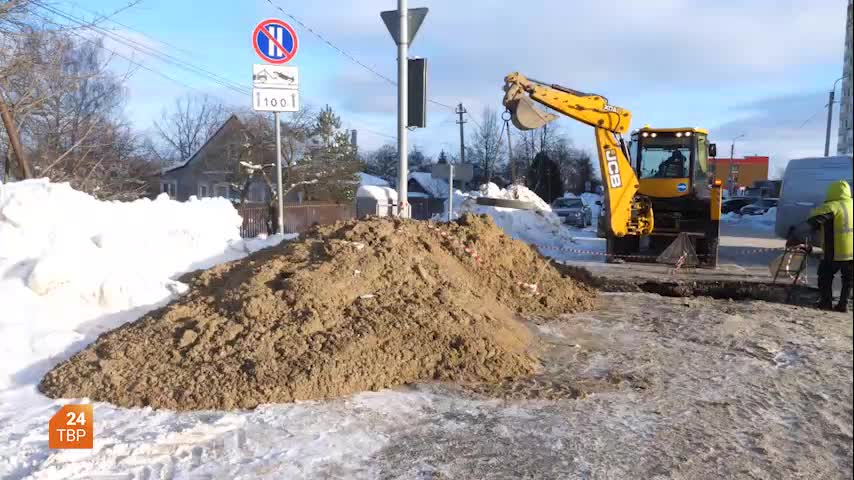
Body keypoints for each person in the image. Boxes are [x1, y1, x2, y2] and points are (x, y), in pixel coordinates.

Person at [790, 180, 853, 312]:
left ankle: (826, 302)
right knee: (848, 280)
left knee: (825, 276)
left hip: (835, 252)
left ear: (831, 192)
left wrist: (795, 235)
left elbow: (812, 223)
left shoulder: (831, 207)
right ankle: (843, 305)